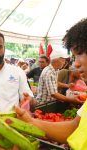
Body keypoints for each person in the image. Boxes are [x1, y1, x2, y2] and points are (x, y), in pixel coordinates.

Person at [15, 18, 87, 149]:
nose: (75, 63)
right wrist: (30, 121)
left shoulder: (55, 71)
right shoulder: (49, 72)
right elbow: (74, 128)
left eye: (80, 54)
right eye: (75, 56)